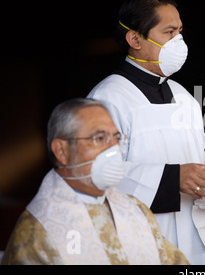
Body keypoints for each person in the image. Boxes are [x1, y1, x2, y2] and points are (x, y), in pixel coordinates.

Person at [87, 0, 205, 265]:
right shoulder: (107, 97)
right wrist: (173, 180)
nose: (179, 42)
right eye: (169, 32)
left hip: (196, 242)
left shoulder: (183, 96)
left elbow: (201, 155)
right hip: (143, 243)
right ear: (134, 39)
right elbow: (97, 174)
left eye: (180, 32)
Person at [1, 98, 189, 265]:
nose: (114, 149)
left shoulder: (135, 209)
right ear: (61, 151)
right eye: (99, 138)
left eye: (116, 138)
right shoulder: (37, 233)